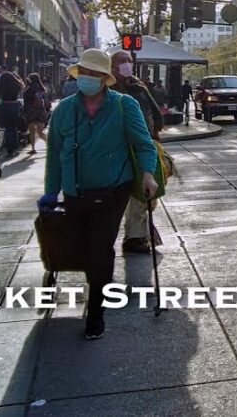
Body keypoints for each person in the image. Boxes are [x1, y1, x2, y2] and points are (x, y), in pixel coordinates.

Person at [40, 49, 157, 340]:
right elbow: (54, 154)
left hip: (113, 190)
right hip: (75, 191)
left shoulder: (124, 105)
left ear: (105, 78)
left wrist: (148, 173)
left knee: (100, 248)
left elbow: (143, 144)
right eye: (85, 73)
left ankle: (96, 311)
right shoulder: (64, 110)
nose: (88, 78)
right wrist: (51, 191)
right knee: (80, 246)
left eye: (94, 74)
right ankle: (90, 284)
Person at [110, 50, 163, 254]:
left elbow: (153, 112)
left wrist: (154, 136)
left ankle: (136, 235)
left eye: (129, 60)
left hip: (143, 145)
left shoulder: (138, 86)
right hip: (119, 148)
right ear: (112, 65)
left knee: (142, 194)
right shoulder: (108, 88)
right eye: (122, 61)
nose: (127, 64)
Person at [0, 68, 25, 158]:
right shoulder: (16, 84)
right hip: (14, 105)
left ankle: (9, 149)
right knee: (14, 127)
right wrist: (16, 78)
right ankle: (14, 147)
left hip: (3, 105)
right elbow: (23, 86)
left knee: (7, 128)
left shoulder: (0, 85)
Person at [23, 73, 51, 153]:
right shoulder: (42, 89)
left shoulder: (28, 90)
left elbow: (26, 102)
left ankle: (33, 148)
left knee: (31, 131)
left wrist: (25, 112)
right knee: (40, 132)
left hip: (31, 112)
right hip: (40, 112)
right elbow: (46, 102)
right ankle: (49, 145)